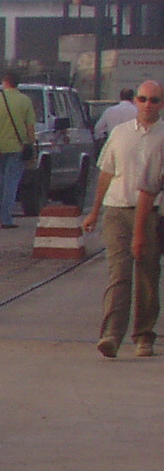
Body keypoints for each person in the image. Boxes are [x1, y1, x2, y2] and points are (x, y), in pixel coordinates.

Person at [89, 79, 164, 358]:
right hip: (117, 211)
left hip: (153, 214)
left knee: (147, 274)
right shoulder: (120, 134)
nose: (147, 105)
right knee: (119, 274)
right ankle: (111, 334)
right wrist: (95, 211)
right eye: (143, 99)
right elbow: (106, 173)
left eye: (154, 100)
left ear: (162, 104)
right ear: (135, 101)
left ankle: (144, 335)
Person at [0, 66, 38, 228]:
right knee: (11, 183)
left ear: (4, 83)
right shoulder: (25, 100)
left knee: (2, 182)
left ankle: (2, 215)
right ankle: (6, 218)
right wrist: (31, 144)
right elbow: (30, 126)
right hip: (18, 148)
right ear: (17, 84)